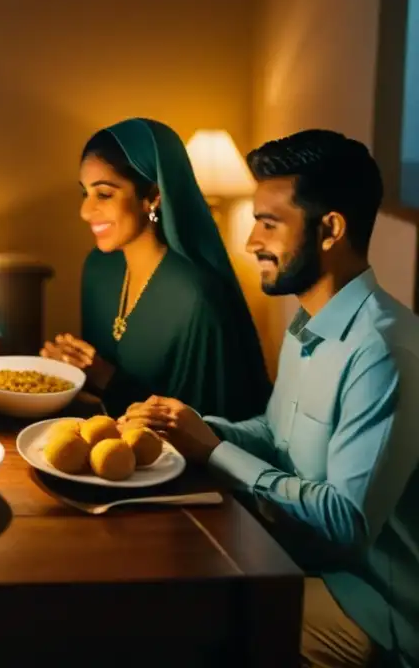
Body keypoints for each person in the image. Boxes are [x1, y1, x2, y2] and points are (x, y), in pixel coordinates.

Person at [122, 130, 419, 667]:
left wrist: (213, 451)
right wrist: (189, 425)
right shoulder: (309, 322)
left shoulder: (384, 351)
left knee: (180, 618)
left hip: (370, 607)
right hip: (299, 561)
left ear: (330, 229)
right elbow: (277, 437)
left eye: (269, 223)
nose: (250, 241)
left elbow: (346, 525)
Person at [41, 118, 270, 420]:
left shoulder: (196, 298)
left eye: (104, 194)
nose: (86, 212)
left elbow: (200, 428)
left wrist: (104, 376)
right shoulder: (99, 269)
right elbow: (98, 402)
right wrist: (67, 368)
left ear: (152, 196)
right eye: (86, 193)